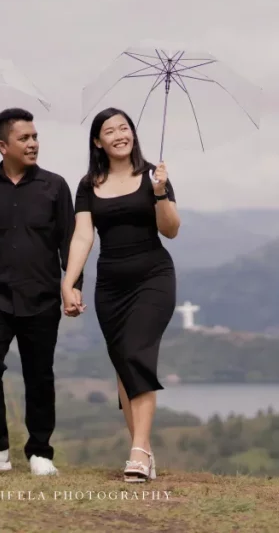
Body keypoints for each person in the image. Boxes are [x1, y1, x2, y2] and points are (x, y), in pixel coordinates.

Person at [0, 107, 81, 476]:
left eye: (35, 136)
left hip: (41, 298)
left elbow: (69, 240)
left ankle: (40, 452)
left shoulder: (54, 186)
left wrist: (72, 286)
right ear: (2, 146)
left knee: (39, 374)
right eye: (24, 138)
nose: (33, 143)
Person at [59, 106, 181, 483]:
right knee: (123, 365)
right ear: (98, 141)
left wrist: (160, 193)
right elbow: (83, 236)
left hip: (153, 278)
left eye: (124, 128)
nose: (119, 135)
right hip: (110, 286)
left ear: (133, 133)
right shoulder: (88, 184)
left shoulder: (154, 176)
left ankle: (139, 452)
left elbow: (171, 229)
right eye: (109, 131)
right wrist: (69, 282)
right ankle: (142, 451)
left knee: (136, 355)